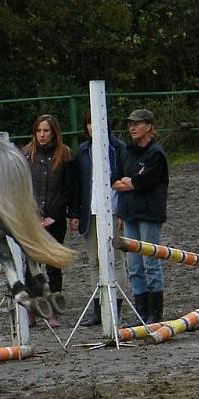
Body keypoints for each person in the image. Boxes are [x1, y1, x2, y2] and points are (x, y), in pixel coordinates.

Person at [71, 111, 130, 326]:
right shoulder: (82, 151)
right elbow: (77, 185)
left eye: (96, 123)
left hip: (113, 210)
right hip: (90, 211)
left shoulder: (119, 148)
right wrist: (75, 213)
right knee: (93, 260)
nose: (92, 127)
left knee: (116, 259)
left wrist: (122, 211)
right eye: (89, 123)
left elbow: (125, 181)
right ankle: (98, 306)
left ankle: (117, 304)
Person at [112, 108, 169, 323]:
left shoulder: (156, 154)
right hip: (130, 213)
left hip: (149, 212)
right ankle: (141, 311)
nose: (132, 128)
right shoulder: (127, 151)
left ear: (148, 126)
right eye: (130, 124)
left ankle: (155, 313)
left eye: (136, 124)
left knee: (150, 262)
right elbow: (116, 180)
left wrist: (130, 182)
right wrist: (131, 182)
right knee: (134, 266)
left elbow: (142, 182)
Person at [23, 114, 77, 326]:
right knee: (31, 265)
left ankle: (53, 307)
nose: (42, 135)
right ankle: (33, 309)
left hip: (55, 218)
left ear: (54, 132)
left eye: (46, 131)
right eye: (39, 131)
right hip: (31, 218)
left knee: (53, 265)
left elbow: (69, 189)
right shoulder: (26, 155)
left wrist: (55, 215)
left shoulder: (65, 155)